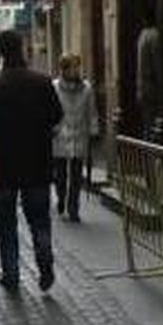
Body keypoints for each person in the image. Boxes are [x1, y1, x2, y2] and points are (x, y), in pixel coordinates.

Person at [0, 30, 62, 293]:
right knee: (39, 219)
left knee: (6, 224)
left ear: (1, 53)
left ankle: (11, 272)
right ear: (23, 48)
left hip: (4, 165)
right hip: (37, 163)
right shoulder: (42, 83)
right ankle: (45, 262)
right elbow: (56, 116)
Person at [52, 54, 99, 222]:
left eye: (77, 67)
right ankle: (61, 197)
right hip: (60, 136)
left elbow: (92, 111)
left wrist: (93, 130)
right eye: (72, 67)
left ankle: (73, 208)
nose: (76, 70)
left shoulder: (86, 88)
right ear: (64, 69)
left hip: (79, 134)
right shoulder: (54, 87)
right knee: (60, 175)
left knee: (77, 175)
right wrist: (52, 128)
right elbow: (51, 111)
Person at [136, 17, 163, 141]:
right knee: (153, 125)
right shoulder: (154, 35)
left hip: (143, 86)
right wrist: (161, 82)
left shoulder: (142, 35)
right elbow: (157, 63)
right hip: (152, 87)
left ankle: (148, 155)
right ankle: (152, 156)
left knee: (147, 125)